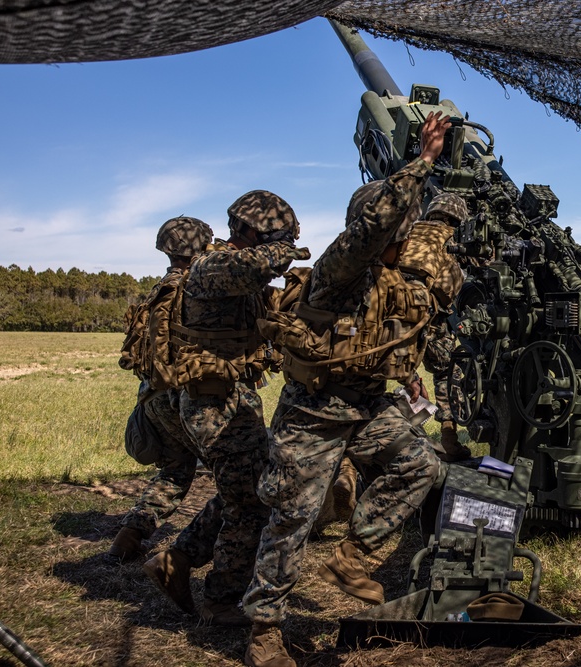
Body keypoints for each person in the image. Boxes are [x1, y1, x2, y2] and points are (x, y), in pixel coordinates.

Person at [242, 111, 450, 667]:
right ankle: (264, 627)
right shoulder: (341, 268)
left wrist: (406, 373)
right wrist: (423, 161)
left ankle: (352, 555)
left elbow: (393, 333)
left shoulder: (391, 282)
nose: (402, 234)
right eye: (397, 226)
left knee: (421, 464)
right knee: (292, 518)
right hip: (313, 413)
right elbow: (372, 226)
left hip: (365, 405)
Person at [141, 191, 309, 627]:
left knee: (246, 490)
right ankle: (220, 599)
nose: (280, 243)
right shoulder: (212, 266)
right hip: (210, 404)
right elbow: (254, 267)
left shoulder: (232, 272)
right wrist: (288, 246)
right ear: (250, 230)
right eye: (273, 234)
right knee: (250, 502)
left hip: (231, 399)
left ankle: (176, 559)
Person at [111, 216, 217, 562]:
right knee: (240, 477)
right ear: (202, 247)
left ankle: (129, 536)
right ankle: (190, 552)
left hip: (154, 396)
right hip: (186, 397)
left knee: (176, 469)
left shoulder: (159, 290)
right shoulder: (197, 289)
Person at [404, 191, 471, 462]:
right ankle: (449, 439)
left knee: (398, 373)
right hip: (430, 318)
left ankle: (402, 436)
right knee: (445, 371)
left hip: (389, 314)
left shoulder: (409, 231)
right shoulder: (454, 239)